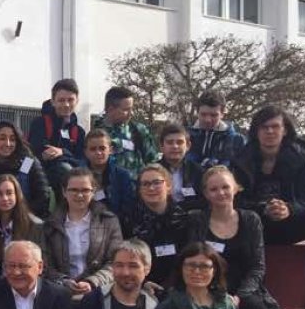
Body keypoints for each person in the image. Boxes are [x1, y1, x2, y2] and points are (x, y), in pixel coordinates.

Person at [235, 105, 305, 309]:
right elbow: (235, 199)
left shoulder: (300, 157)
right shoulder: (241, 158)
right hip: (254, 225)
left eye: (275, 127)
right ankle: (250, 293)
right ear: (256, 131)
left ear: (285, 130)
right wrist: (262, 208)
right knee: (237, 218)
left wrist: (289, 209)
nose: (270, 132)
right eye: (264, 127)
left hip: (288, 222)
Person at [188, 166, 285, 309]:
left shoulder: (251, 220)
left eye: (225, 187)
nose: (221, 193)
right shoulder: (197, 220)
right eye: (214, 189)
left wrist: (240, 296)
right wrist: (218, 294)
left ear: (235, 188)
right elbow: (193, 260)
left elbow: (257, 267)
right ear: (205, 194)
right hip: (206, 287)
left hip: (245, 289)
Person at [42, 167, 123, 298]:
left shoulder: (109, 221)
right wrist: (64, 281)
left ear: (93, 192)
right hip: (61, 295)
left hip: (100, 294)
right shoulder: (50, 225)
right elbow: (45, 264)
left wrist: (92, 282)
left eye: (85, 190)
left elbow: (115, 262)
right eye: (73, 190)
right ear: (64, 192)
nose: (79, 195)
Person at [120, 164, 192, 292]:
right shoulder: (128, 219)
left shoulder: (184, 218)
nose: (151, 188)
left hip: (179, 286)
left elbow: (188, 256)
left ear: (169, 186)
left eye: (157, 182)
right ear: (139, 190)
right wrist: (143, 283)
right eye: (145, 184)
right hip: (139, 286)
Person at [0, 120, 51, 219]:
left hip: (25, 220)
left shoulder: (27, 162)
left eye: (12, 139)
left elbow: (42, 197)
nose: (8, 143)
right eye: (2, 138)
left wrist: (20, 216)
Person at [28, 79, 87, 198]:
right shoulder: (39, 123)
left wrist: (62, 152)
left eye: (70, 100)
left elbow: (82, 160)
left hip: (68, 179)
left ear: (77, 101)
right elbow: (31, 152)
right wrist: (43, 155)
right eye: (61, 100)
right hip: (39, 174)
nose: (66, 104)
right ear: (53, 101)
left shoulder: (79, 132)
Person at [96, 86, 158, 181]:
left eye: (131, 109)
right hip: (109, 190)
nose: (131, 113)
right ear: (110, 109)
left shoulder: (138, 130)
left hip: (136, 190)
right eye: (126, 110)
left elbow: (153, 161)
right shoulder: (96, 134)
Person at [186, 90, 247, 169]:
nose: (207, 120)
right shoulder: (184, 138)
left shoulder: (237, 141)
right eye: (203, 114)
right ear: (197, 112)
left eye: (213, 115)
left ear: (222, 114)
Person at [82, 128, 136, 217]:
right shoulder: (76, 176)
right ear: (86, 152)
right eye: (93, 149)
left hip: (115, 224)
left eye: (102, 148)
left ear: (110, 150)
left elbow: (127, 208)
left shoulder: (122, 176)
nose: (98, 153)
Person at [157, 123, 206, 211]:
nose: (175, 146)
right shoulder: (153, 172)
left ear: (188, 146)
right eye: (170, 142)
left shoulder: (199, 172)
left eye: (179, 142)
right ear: (161, 146)